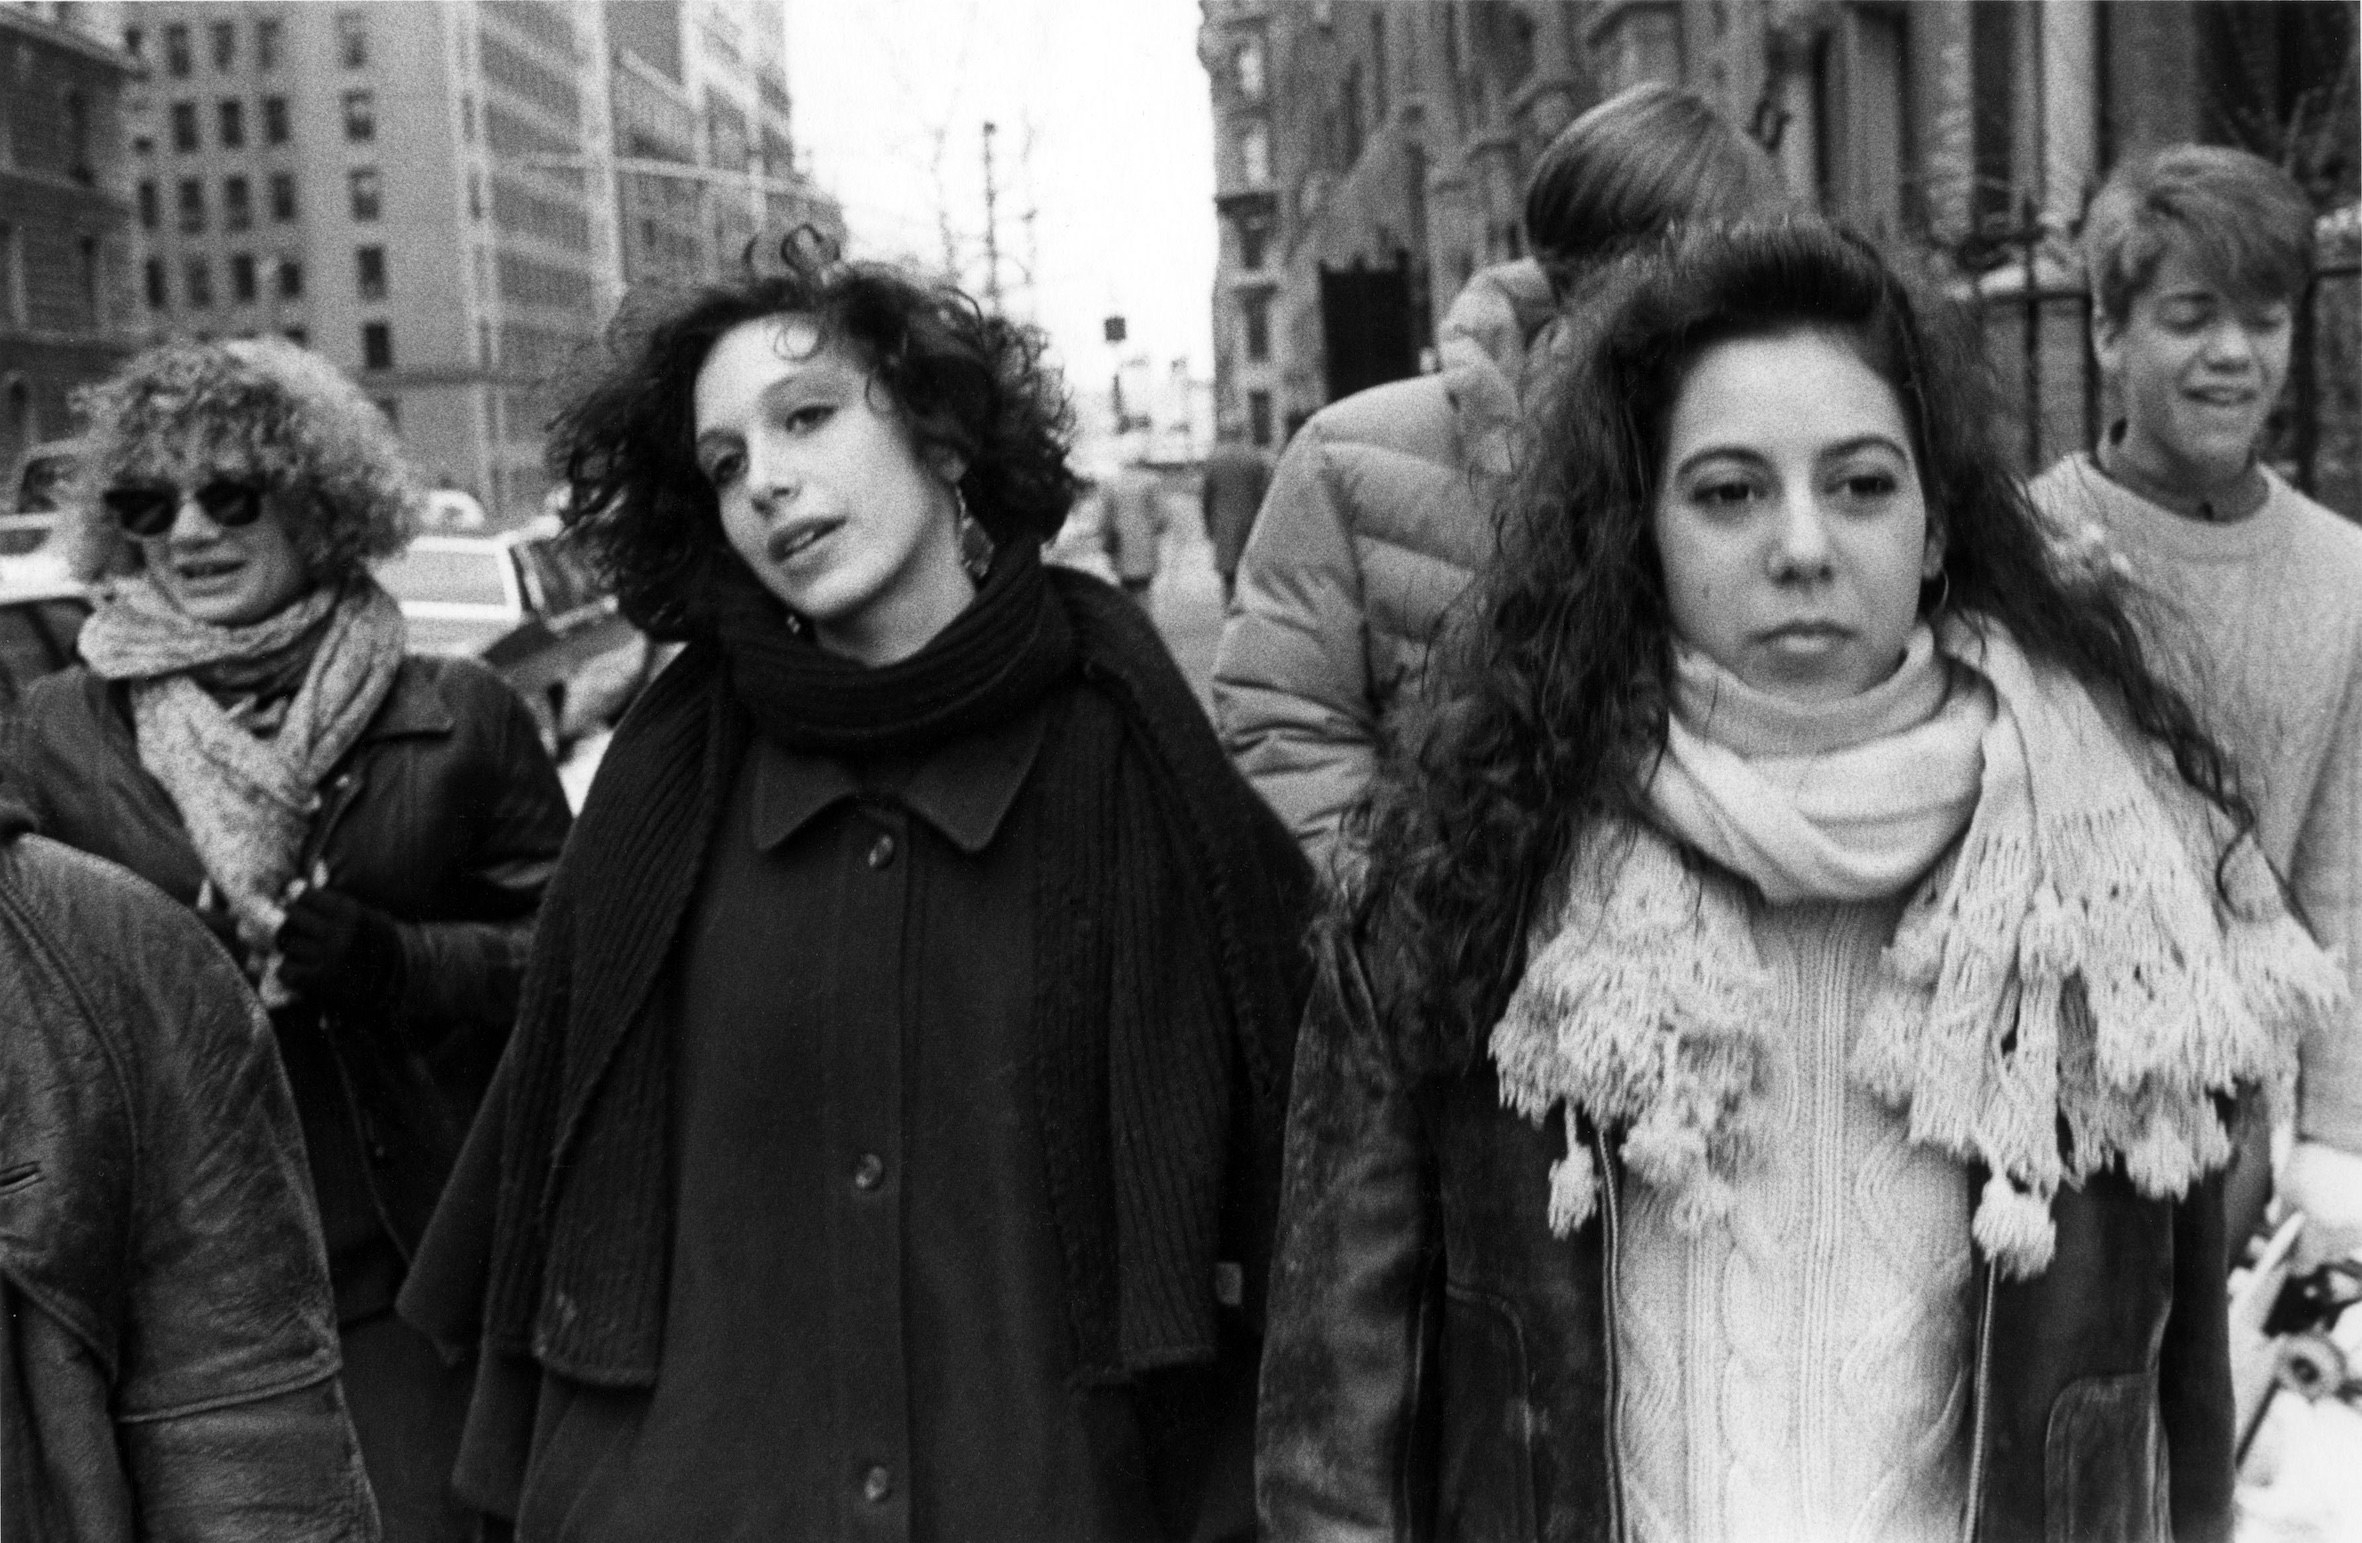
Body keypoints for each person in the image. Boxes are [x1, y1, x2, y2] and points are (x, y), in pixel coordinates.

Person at [1257, 218, 2345, 1543]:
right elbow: (1334, 1447)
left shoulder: (2122, 889)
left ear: (1935, 525)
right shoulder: (1470, 871)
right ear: (1637, 529)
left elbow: (2173, 1429)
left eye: (1860, 484)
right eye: (1725, 491)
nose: (1801, 544)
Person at [396, 242, 1314, 1541]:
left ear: (941, 437)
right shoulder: (664, 788)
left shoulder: (1136, 764)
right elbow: (555, 1199)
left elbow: (1301, 1183)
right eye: (723, 463)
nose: (765, 477)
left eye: (807, 416)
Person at [0, 338, 573, 1543]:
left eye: (231, 494)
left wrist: (392, 962)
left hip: (405, 1264)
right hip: (174, 1267)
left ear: (317, 502)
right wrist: (153, 972)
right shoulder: (57, 731)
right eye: (150, 502)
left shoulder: (456, 710)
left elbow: (576, 966)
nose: (191, 530)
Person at [1212, 82, 1786, 877]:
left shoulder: (1788, 467)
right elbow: (1284, 727)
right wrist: (1403, 917)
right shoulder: (1346, 460)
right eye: (1654, 273)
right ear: (1572, 272)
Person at [2027, 143, 2362, 1276]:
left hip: (2238, 1129)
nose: (2233, 354)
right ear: (2108, 333)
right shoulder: (2021, 549)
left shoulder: (2339, 571)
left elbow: (2341, 866)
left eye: (2263, 318)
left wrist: (2334, 1136)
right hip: (2045, 1113)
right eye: (2189, 315)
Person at [0, 786, 382, 1541]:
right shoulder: (70, 728)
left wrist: (397, 958)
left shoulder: (116, 951)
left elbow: (246, 1437)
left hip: (388, 1251)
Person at [1198, 431, 1271, 607]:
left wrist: (1208, 525)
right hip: (1251, 522)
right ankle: (1249, 609)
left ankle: (1231, 609)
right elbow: (1265, 493)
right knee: (1248, 573)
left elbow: (1206, 497)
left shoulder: (1214, 459)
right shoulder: (1254, 458)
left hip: (1223, 523)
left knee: (1228, 574)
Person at [1102, 456, 1169, 611]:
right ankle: (1144, 625)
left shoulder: (1110, 482)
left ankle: (1129, 625)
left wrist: (1106, 538)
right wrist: (1156, 529)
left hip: (1120, 543)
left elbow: (1104, 518)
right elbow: (1162, 516)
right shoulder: (1152, 481)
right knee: (1144, 586)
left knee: (1125, 586)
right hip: (1145, 541)